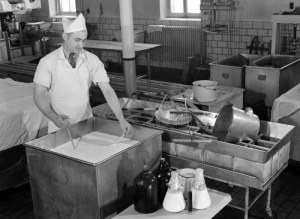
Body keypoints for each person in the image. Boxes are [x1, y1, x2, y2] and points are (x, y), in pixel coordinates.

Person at [33, 13, 131, 135]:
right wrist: (53, 117)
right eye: (77, 40)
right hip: (58, 124)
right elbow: (38, 94)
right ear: (65, 36)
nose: (81, 45)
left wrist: (121, 119)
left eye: (84, 41)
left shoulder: (92, 60)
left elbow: (107, 90)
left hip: (85, 122)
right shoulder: (48, 61)